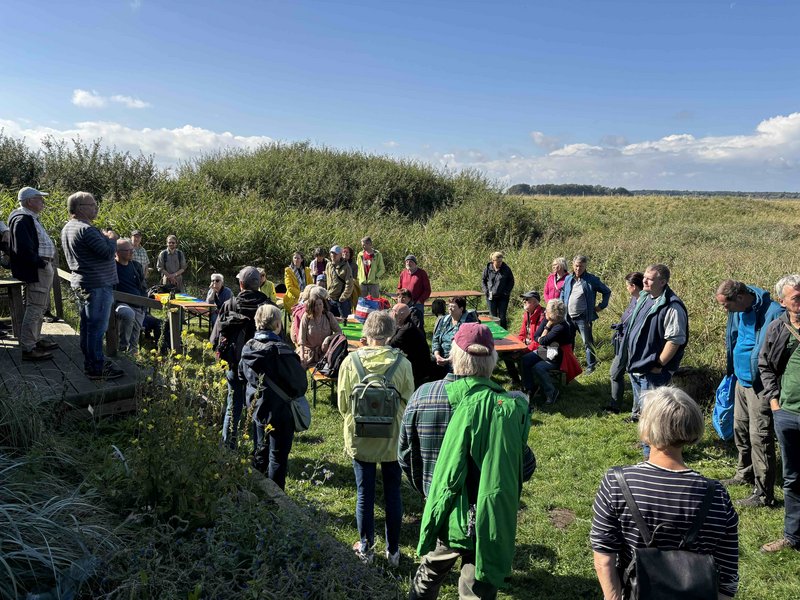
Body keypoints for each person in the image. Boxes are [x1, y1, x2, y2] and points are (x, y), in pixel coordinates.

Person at [411, 323, 533, 599]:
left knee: (428, 575)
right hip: (487, 514)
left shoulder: (424, 395)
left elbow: (407, 455)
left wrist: (426, 490)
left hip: (439, 506)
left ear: (454, 356)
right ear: (492, 360)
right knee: (477, 583)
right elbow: (524, 467)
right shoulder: (505, 408)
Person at [590, 386, 739, 599]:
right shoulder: (717, 495)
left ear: (646, 428)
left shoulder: (617, 483)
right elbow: (728, 576)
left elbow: (604, 560)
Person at [337, 310, 414, 567]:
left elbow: (342, 405)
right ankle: (393, 551)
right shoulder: (402, 364)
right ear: (391, 333)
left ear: (366, 332)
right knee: (393, 493)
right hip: (392, 437)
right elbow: (409, 401)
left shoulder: (351, 362)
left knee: (364, 494)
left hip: (361, 437)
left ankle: (366, 549)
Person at [716, 279, 783, 508]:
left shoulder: (773, 312)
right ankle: (744, 473)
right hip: (740, 380)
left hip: (760, 385)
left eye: (726, 305)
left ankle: (764, 494)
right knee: (740, 429)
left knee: (760, 437)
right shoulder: (738, 310)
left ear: (740, 297)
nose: (725, 310)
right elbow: (735, 338)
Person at [239, 304, 307, 490]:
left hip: (258, 408)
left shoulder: (248, 347)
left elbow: (241, 375)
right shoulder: (282, 351)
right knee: (277, 457)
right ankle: (276, 498)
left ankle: (256, 489)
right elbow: (300, 385)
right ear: (278, 324)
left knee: (261, 449)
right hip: (281, 412)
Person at [624, 264, 689, 457]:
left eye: (650, 278)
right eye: (644, 277)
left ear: (663, 282)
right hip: (638, 366)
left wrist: (659, 365)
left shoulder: (672, 306)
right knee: (643, 412)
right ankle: (647, 445)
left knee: (653, 414)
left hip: (653, 370)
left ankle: (651, 455)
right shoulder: (646, 298)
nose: (644, 280)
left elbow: (675, 340)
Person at [757, 274, 800, 553]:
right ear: (782, 301)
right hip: (788, 414)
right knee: (793, 478)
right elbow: (765, 366)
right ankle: (793, 536)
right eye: (796, 298)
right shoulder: (777, 328)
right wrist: (775, 403)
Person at [61, 192, 123, 379]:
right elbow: (107, 252)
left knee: (88, 325)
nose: (96, 208)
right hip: (97, 285)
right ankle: (96, 367)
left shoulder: (69, 227)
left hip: (83, 282)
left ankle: (92, 360)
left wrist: (102, 238)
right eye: (93, 205)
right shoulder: (86, 229)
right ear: (80, 208)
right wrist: (112, 238)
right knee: (97, 328)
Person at [210, 266, 273, 448]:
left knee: (233, 405)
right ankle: (258, 453)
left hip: (234, 362)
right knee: (258, 408)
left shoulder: (229, 304)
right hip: (260, 365)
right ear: (259, 283)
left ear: (241, 284)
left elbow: (215, 338)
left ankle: (228, 448)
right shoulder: (268, 306)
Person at [8, 186, 59, 361]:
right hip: (38, 268)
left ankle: (35, 340)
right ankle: (29, 348)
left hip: (41, 267)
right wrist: (41, 263)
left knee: (40, 306)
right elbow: (23, 249)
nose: (42, 202)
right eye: (39, 199)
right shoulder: (22, 219)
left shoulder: (28, 217)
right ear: (30, 201)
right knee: (36, 307)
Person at [560, 255, 611, 374]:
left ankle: (591, 366)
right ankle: (570, 365)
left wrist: (601, 306)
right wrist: (561, 305)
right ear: (573, 265)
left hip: (583, 318)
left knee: (587, 342)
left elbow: (606, 291)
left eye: (581, 266)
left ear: (585, 266)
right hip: (568, 317)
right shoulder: (568, 279)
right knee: (569, 342)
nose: (578, 269)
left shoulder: (591, 279)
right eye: (576, 266)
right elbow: (563, 292)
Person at [522, 298, 576, 405]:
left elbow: (542, 341)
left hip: (557, 357)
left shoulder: (561, 327)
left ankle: (552, 392)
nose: (545, 311)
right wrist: (546, 329)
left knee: (538, 367)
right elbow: (536, 336)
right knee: (525, 359)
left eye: (547, 310)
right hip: (547, 351)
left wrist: (546, 328)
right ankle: (530, 388)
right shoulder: (547, 320)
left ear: (554, 314)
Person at [604, 272, 644, 414]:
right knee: (615, 373)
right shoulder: (634, 299)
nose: (626, 288)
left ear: (634, 286)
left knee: (634, 378)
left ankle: (637, 412)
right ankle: (615, 406)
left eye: (627, 285)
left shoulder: (645, 302)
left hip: (634, 345)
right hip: (623, 342)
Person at [505, 289, 546, 385]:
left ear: (535, 302)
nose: (524, 301)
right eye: (524, 299)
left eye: (527, 299)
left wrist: (522, 351)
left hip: (543, 349)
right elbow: (522, 334)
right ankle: (516, 378)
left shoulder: (542, 316)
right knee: (506, 352)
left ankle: (529, 387)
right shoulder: (527, 313)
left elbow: (539, 341)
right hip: (529, 346)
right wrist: (515, 347)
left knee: (524, 358)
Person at [114, 238, 147, 353]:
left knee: (134, 340)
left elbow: (143, 287)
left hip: (138, 305)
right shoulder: (111, 267)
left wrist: (144, 305)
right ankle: (122, 349)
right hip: (120, 303)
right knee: (128, 314)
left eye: (132, 250)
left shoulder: (136, 266)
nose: (132, 252)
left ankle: (132, 356)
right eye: (128, 250)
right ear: (118, 252)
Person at [431, 296, 477, 374]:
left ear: (461, 309)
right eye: (449, 306)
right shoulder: (444, 320)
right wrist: (437, 355)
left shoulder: (468, 323)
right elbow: (435, 339)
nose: (450, 308)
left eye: (453, 306)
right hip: (440, 357)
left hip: (458, 359)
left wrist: (449, 359)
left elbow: (466, 347)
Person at [389, 302, 430, 388]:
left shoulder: (407, 329)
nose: (391, 313)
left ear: (401, 315)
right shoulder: (403, 325)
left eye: (393, 311)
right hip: (412, 367)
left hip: (417, 373)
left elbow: (390, 345)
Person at [297, 290, 341, 368]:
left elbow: (339, 332)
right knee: (299, 367)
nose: (318, 307)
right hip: (308, 353)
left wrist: (328, 338)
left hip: (324, 353)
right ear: (312, 307)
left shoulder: (328, 315)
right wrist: (302, 356)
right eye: (316, 305)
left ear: (323, 304)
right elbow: (302, 339)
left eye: (320, 304)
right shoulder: (306, 317)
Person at [481, 251, 515, 329]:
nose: (500, 263)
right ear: (493, 261)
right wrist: (485, 290)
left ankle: (504, 332)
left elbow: (511, 281)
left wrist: (506, 292)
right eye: (498, 261)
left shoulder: (506, 269)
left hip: (503, 297)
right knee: (492, 316)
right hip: (490, 296)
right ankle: (493, 332)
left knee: (502, 316)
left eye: (501, 261)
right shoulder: (488, 268)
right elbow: (483, 280)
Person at [398, 255, 431, 328]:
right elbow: (399, 288)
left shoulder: (422, 273)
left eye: (411, 262)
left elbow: (427, 290)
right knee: (404, 323)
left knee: (418, 324)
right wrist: (400, 298)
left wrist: (420, 300)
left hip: (417, 303)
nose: (408, 263)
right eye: (407, 261)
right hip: (405, 303)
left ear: (415, 263)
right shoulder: (403, 273)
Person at [325, 245, 355, 318]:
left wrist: (343, 297)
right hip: (330, 299)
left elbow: (349, 284)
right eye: (332, 253)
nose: (333, 255)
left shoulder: (346, 267)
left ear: (340, 255)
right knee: (332, 321)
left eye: (335, 254)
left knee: (344, 321)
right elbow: (327, 280)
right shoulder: (328, 265)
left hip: (341, 301)